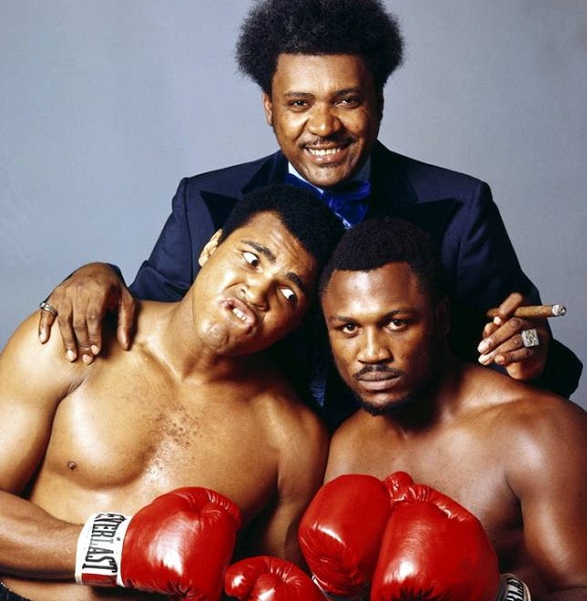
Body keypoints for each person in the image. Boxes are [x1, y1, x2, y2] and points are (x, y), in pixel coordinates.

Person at [37, 0, 581, 432]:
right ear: (269, 108)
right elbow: (146, 334)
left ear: (379, 103)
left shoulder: (460, 206)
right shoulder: (204, 201)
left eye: (347, 100)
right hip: (250, 467)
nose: (323, 126)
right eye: (299, 103)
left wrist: (531, 352)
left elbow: (538, 357)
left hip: (401, 468)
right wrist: (99, 273)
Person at [0, 185, 344, 601]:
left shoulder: (294, 442)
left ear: (298, 322)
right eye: (251, 260)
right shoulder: (74, 340)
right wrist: (119, 550)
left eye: (288, 293)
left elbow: (267, 582)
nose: (255, 293)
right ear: (211, 247)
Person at [300, 217, 587, 600]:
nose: (372, 353)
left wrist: (497, 594)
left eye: (397, 323)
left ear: (441, 319)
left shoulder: (542, 432)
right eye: (349, 328)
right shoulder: (346, 445)